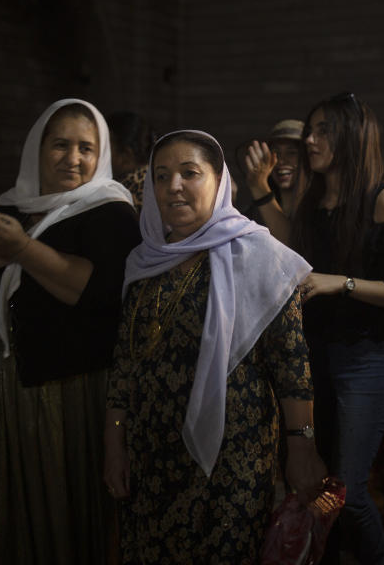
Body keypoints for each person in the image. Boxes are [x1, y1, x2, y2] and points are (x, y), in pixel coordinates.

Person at [104, 130, 327, 563]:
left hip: (233, 459)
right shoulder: (143, 262)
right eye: (162, 176)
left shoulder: (260, 255)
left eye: (190, 173)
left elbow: (291, 364)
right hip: (151, 455)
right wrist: (115, 446)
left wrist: (301, 446)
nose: (174, 186)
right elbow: (124, 365)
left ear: (219, 181)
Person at [0, 99, 139, 563]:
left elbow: (93, 290)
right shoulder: (10, 206)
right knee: (10, 521)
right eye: (61, 145)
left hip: (72, 390)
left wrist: (22, 249)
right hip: (5, 387)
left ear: (101, 154)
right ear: (37, 148)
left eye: (86, 148)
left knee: (64, 521)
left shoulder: (110, 211)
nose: (73, 158)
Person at [245, 93, 384, 564]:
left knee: (350, 490)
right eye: (311, 129)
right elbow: (291, 252)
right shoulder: (313, 201)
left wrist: (340, 283)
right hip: (312, 358)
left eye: (322, 130)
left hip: (364, 359)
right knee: (319, 486)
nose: (310, 139)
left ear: (352, 135)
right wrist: (261, 191)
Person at [240, 119, 308, 222]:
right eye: (275, 152)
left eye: (292, 152)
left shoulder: (317, 209)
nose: (281, 161)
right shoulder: (256, 212)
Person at [107, 111, 156, 213]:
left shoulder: (122, 198)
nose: (100, 155)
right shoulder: (154, 179)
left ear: (125, 155)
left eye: (105, 147)